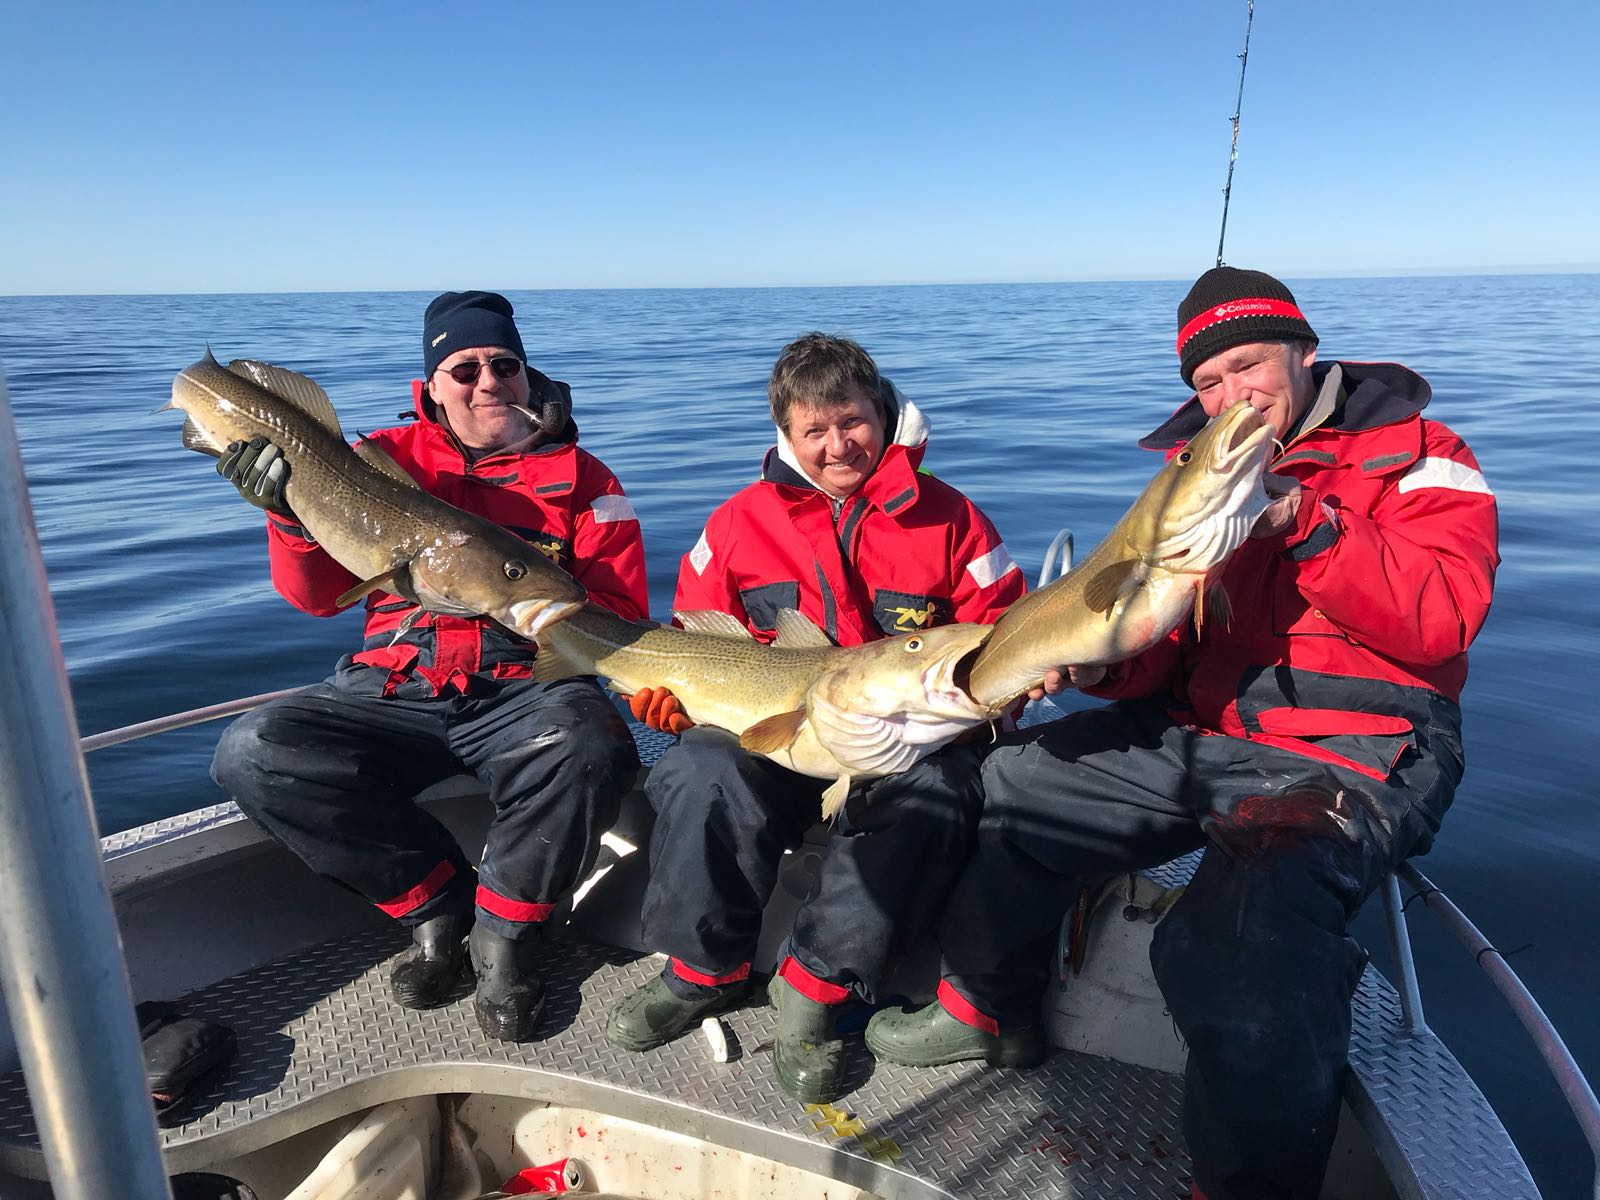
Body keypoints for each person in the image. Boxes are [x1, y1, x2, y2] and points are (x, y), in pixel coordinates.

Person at [864, 267, 1500, 1200]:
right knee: (1012, 784)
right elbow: (1159, 641)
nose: (1229, 397)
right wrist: (1100, 667)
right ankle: (986, 1005)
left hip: (1353, 751)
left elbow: (1443, 619)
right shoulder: (1188, 477)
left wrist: (1304, 522)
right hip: (1201, 726)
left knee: (1243, 934)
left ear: (1303, 351)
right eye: (1207, 384)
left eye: (1247, 366)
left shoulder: (1422, 455)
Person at [210, 291, 648, 1043]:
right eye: (465, 367)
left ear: (526, 372)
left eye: (504, 364)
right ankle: (437, 908)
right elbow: (314, 598)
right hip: (392, 685)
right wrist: (288, 513)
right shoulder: (376, 459)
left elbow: (619, 607)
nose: (488, 382)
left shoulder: (588, 481)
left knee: (588, 743)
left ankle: (506, 934)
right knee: (254, 751)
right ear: (432, 385)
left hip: (523, 688)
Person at [605, 333, 1026, 1102]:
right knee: (700, 770)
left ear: (883, 412)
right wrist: (661, 706)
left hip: (906, 741)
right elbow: (692, 636)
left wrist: (994, 702)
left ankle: (818, 992)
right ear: (787, 437)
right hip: (775, 735)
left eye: (853, 421)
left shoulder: (955, 521)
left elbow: (1000, 641)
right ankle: (705, 968)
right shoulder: (736, 523)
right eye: (814, 430)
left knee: (937, 796)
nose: (838, 445)